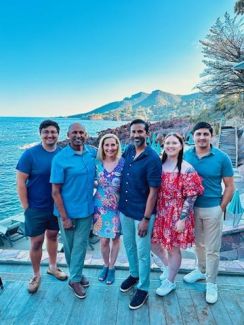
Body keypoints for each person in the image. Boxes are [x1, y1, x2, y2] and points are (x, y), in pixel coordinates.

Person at [183, 122, 234, 304]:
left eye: (206, 134)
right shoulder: (186, 154)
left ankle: (211, 283)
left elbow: (230, 186)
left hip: (213, 207)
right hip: (191, 208)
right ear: (193, 136)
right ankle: (200, 270)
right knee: (198, 244)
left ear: (211, 136)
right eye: (198, 134)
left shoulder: (222, 157)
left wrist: (221, 207)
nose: (202, 137)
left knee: (213, 249)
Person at [16, 120, 67, 294]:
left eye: (53, 132)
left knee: (53, 237)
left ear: (58, 134)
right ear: (40, 134)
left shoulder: (62, 154)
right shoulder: (30, 154)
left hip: (55, 207)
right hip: (35, 208)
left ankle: (53, 267)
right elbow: (21, 182)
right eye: (46, 132)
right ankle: (36, 275)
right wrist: (26, 207)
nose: (49, 135)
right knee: (36, 242)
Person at [151, 133, 204, 296]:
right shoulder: (159, 165)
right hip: (160, 211)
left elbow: (192, 195)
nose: (170, 146)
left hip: (177, 213)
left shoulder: (186, 167)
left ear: (181, 146)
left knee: (174, 249)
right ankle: (168, 268)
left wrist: (182, 219)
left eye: (174, 143)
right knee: (153, 243)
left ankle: (171, 281)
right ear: (163, 145)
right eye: (167, 143)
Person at [118, 119, 162, 310]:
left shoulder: (152, 158)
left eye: (140, 132)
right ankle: (134, 274)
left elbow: (154, 192)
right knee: (129, 246)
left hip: (142, 214)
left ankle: (143, 288)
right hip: (125, 210)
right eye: (133, 132)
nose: (136, 135)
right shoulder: (128, 151)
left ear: (147, 133)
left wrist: (145, 219)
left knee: (143, 252)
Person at [50, 123, 96, 299]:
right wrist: (64, 216)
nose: (78, 135)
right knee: (70, 247)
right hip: (66, 211)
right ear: (68, 135)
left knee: (80, 245)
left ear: (86, 134)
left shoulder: (92, 153)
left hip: (86, 209)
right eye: (74, 132)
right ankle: (75, 277)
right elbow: (55, 191)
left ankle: (75, 277)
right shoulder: (60, 159)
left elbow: (109, 162)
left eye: (81, 132)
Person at [93, 134, 124, 285]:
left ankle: (112, 267)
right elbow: (90, 181)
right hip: (100, 207)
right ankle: (105, 265)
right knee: (104, 240)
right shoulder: (97, 163)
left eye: (113, 145)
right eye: (107, 145)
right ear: (102, 147)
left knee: (115, 238)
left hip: (118, 208)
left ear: (117, 146)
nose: (110, 148)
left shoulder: (123, 163)